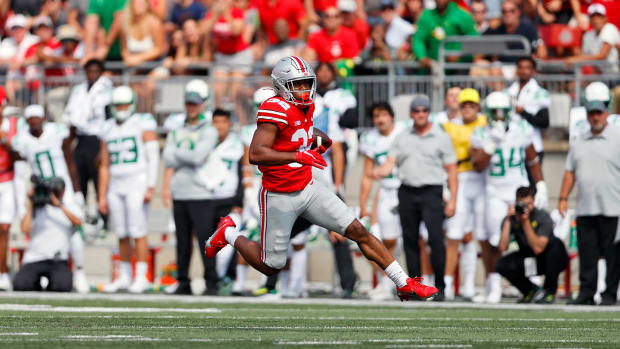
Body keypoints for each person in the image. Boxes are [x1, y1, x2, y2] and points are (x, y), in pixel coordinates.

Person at [205, 56, 438, 301]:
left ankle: (404, 282)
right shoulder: (274, 108)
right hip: (279, 194)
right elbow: (256, 153)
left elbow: (300, 131)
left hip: (307, 186)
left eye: (307, 83)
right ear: (282, 85)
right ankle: (228, 234)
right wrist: (299, 154)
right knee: (270, 264)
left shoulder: (307, 105)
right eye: (298, 84)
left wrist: (319, 137)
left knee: (358, 230)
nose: (305, 90)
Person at [372, 94, 458, 302]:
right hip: (408, 191)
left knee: (435, 240)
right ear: (411, 114)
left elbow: (452, 171)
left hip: (432, 191)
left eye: (424, 111)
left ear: (429, 113)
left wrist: (453, 199)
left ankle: (440, 286)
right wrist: (380, 170)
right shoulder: (402, 137)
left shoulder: (440, 136)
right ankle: (416, 286)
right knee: (409, 240)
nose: (420, 114)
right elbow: (390, 162)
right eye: (416, 111)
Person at [470, 91, 548, 304]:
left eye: (502, 112)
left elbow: (532, 159)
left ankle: (531, 283)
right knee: (495, 242)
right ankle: (493, 286)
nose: (498, 116)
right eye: (494, 112)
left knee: (527, 238)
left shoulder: (522, 128)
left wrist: (540, 185)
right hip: (494, 192)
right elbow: (477, 165)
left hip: (519, 191)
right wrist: (491, 145)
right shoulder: (480, 132)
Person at [558, 97, 620, 306]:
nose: (595, 117)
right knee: (587, 253)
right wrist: (563, 198)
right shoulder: (579, 140)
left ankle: (609, 294)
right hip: (586, 206)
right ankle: (586, 292)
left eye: (598, 113)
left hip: (613, 206)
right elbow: (569, 172)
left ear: (605, 113)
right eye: (591, 113)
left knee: (613, 254)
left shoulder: (617, 137)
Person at [98, 86, 159, 294]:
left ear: (132, 104)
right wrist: (101, 195)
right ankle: (124, 276)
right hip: (116, 183)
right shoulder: (107, 127)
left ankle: (141, 276)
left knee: (138, 231)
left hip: (137, 181)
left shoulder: (142, 123)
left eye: (124, 104)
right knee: (122, 232)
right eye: (117, 105)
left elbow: (153, 157)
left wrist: (150, 186)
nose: (121, 108)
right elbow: (104, 165)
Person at [162, 85, 219, 295]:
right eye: (188, 103)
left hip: (201, 192)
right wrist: (185, 153)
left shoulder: (209, 130)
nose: (191, 107)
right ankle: (183, 280)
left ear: (203, 104)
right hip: (180, 191)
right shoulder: (177, 129)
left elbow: (198, 158)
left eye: (195, 103)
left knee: (206, 240)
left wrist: (177, 152)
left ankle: (211, 282)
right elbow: (166, 157)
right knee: (182, 242)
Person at [440, 88, 487, 300]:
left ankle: (469, 284)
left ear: (478, 107)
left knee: (474, 235)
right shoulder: (449, 126)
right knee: (454, 234)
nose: (468, 109)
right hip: (458, 178)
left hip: (481, 180)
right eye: (464, 105)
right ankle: (447, 283)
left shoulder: (485, 123)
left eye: (472, 105)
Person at [359, 102, 407, 300]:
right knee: (382, 241)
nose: (380, 119)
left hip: (408, 188)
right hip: (386, 191)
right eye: (376, 116)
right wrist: (364, 204)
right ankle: (387, 285)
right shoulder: (371, 139)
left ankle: (425, 280)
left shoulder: (404, 132)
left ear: (392, 116)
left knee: (419, 240)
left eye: (383, 114)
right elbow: (368, 173)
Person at [496, 186, 568, 304]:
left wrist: (525, 222)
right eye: (522, 204)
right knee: (501, 264)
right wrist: (508, 220)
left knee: (556, 244)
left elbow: (538, 249)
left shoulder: (542, 216)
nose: (526, 208)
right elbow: (502, 247)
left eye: (528, 204)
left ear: (533, 201)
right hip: (530, 260)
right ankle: (531, 291)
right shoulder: (512, 218)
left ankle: (549, 292)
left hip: (549, 260)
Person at [13, 177, 83, 292]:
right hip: (34, 258)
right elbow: (25, 228)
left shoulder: (69, 207)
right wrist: (31, 202)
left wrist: (59, 205)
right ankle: (38, 283)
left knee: (62, 286)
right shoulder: (38, 207)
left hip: (58, 259)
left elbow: (78, 222)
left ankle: (50, 282)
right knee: (21, 285)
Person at [63, 59, 112, 208]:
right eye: (89, 71)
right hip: (80, 139)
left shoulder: (107, 90)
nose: (92, 74)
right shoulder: (79, 90)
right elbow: (72, 117)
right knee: (79, 180)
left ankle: (104, 222)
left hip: (97, 140)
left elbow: (109, 120)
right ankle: (81, 218)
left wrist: (104, 150)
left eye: (96, 71)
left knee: (99, 182)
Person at [506, 57, 550, 191]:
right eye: (521, 68)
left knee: (531, 187)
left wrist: (523, 112)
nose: (524, 71)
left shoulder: (540, 93)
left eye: (527, 68)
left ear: (533, 71)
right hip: (512, 146)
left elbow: (544, 122)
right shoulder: (509, 91)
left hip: (532, 145)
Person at [412, 0, 478, 70]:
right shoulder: (426, 16)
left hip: (458, 69)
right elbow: (418, 39)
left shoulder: (461, 15)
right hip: (432, 69)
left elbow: (473, 39)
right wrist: (422, 57)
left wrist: (459, 54)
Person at [563, 4, 619, 73]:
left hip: (613, 75)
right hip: (598, 75)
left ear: (605, 18)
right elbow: (585, 56)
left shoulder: (610, 28)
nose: (596, 20)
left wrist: (575, 59)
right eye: (593, 17)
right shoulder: (588, 35)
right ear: (589, 20)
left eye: (599, 16)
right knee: (584, 70)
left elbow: (602, 55)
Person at [0, 87, 19, 291]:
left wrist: (5, 139)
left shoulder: (11, 123)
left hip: (6, 179)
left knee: (4, 228)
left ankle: (3, 272)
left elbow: (17, 150)